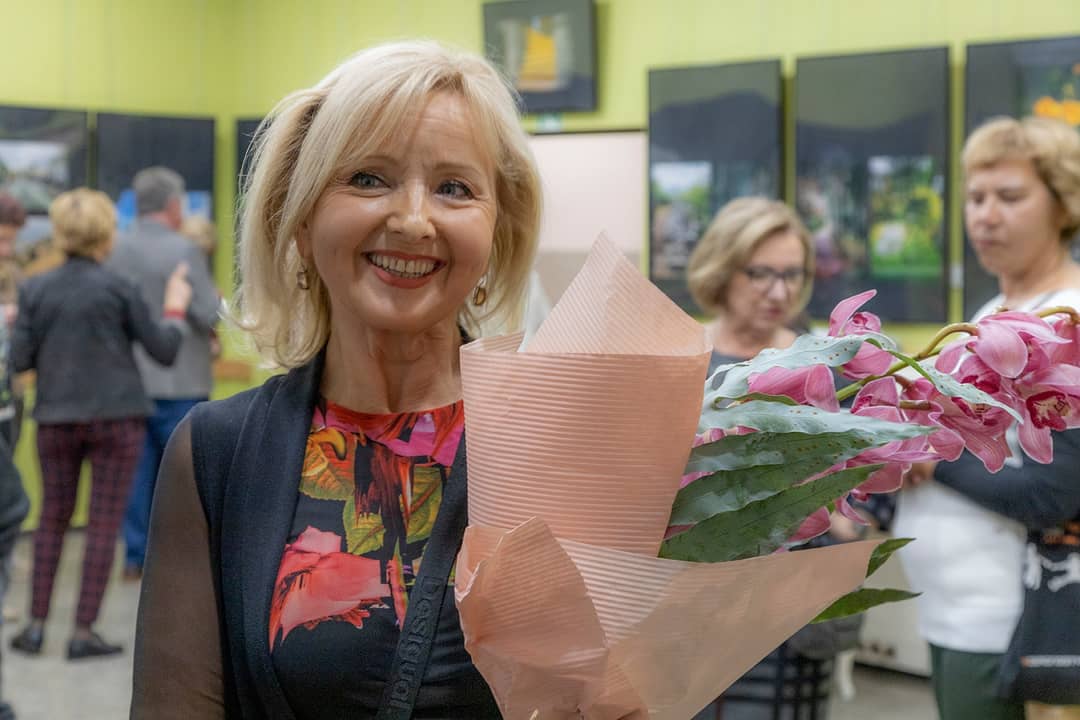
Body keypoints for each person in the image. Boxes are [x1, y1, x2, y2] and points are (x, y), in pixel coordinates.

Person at [130, 40, 542, 718]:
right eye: (369, 178)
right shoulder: (214, 454)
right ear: (299, 218)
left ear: (499, 229)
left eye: (454, 188)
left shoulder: (556, 442)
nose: (413, 220)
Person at [897, 116, 1080, 720]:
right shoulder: (994, 311)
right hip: (955, 607)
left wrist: (931, 460)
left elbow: (1055, 493)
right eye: (975, 197)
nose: (986, 216)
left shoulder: (1068, 321)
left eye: (1010, 196)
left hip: (1012, 621)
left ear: (1063, 203)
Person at [685, 197, 864, 719]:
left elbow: (874, 472)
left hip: (793, 611)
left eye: (792, 274)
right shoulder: (683, 360)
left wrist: (843, 517)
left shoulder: (825, 365)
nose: (780, 292)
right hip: (693, 606)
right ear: (723, 268)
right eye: (761, 273)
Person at [8, 188, 192, 660]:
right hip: (117, 419)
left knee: (52, 519)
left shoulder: (35, 289)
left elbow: (21, 360)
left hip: (55, 418)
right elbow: (164, 349)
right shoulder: (119, 287)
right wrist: (175, 307)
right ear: (106, 233)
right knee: (103, 524)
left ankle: (35, 628)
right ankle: (83, 633)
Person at [108, 167, 220, 580]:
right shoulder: (184, 250)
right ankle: (175, 558)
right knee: (182, 477)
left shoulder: (114, 250)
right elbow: (207, 311)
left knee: (134, 477)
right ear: (174, 204)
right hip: (182, 380)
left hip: (129, 383)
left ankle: (134, 556)